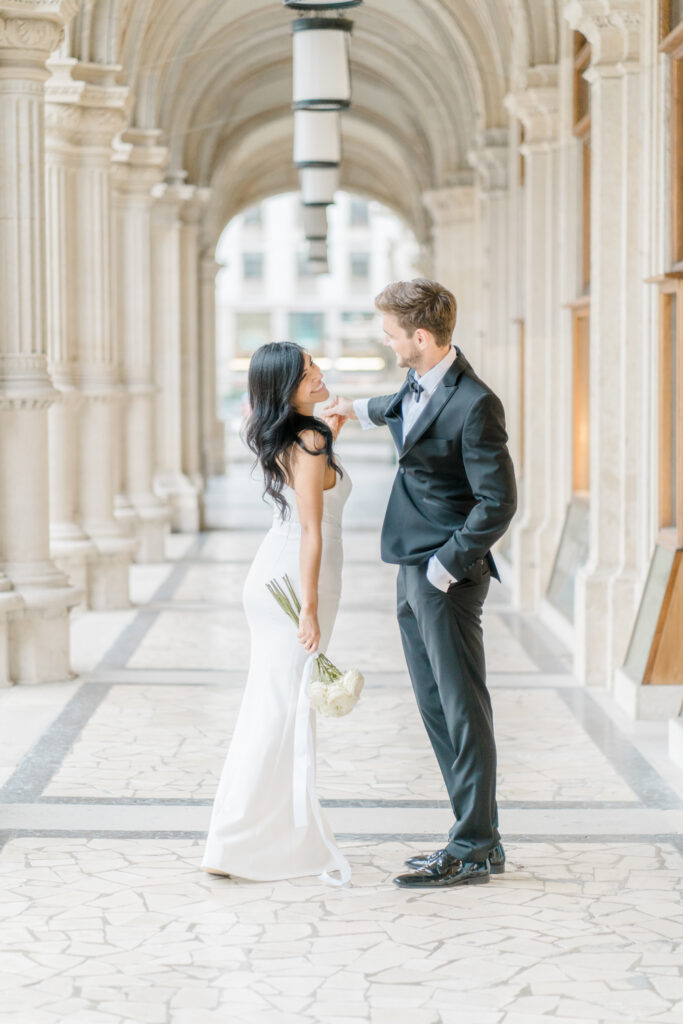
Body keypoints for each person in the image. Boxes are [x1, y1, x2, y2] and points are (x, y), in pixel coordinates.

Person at [325, 278, 517, 889]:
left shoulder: (475, 402)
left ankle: (471, 846)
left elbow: (498, 502)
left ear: (422, 337)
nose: (387, 342)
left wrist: (444, 566)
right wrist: (352, 410)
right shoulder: (421, 380)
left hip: (446, 574)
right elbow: (401, 407)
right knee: (436, 706)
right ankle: (478, 837)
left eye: (390, 334)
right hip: (412, 564)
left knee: (462, 710)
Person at [201, 341, 351, 885]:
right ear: (282, 389)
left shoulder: (303, 438)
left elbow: (317, 501)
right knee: (282, 709)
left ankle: (246, 834)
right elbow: (313, 529)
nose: (318, 374)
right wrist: (307, 609)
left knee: (273, 706)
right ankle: (243, 841)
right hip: (295, 582)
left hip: (279, 572)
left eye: (314, 366)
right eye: (305, 372)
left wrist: (335, 434)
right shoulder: (308, 440)